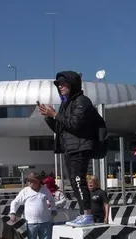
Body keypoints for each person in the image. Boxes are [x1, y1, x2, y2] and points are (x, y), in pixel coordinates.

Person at [39, 71, 102, 226]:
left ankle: (88, 214)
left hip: (80, 147)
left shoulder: (82, 101)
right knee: (74, 182)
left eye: (63, 83)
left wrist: (55, 114)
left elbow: (75, 124)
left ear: (72, 84)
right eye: (58, 84)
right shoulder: (65, 104)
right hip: (70, 148)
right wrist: (49, 117)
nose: (60, 87)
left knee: (79, 180)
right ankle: (84, 212)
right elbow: (61, 129)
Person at [9, 173, 56, 239]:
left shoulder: (44, 189)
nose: (29, 182)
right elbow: (15, 202)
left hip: (45, 221)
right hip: (31, 222)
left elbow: (51, 200)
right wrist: (12, 212)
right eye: (28, 180)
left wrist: (53, 209)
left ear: (37, 181)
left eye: (31, 180)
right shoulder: (25, 191)